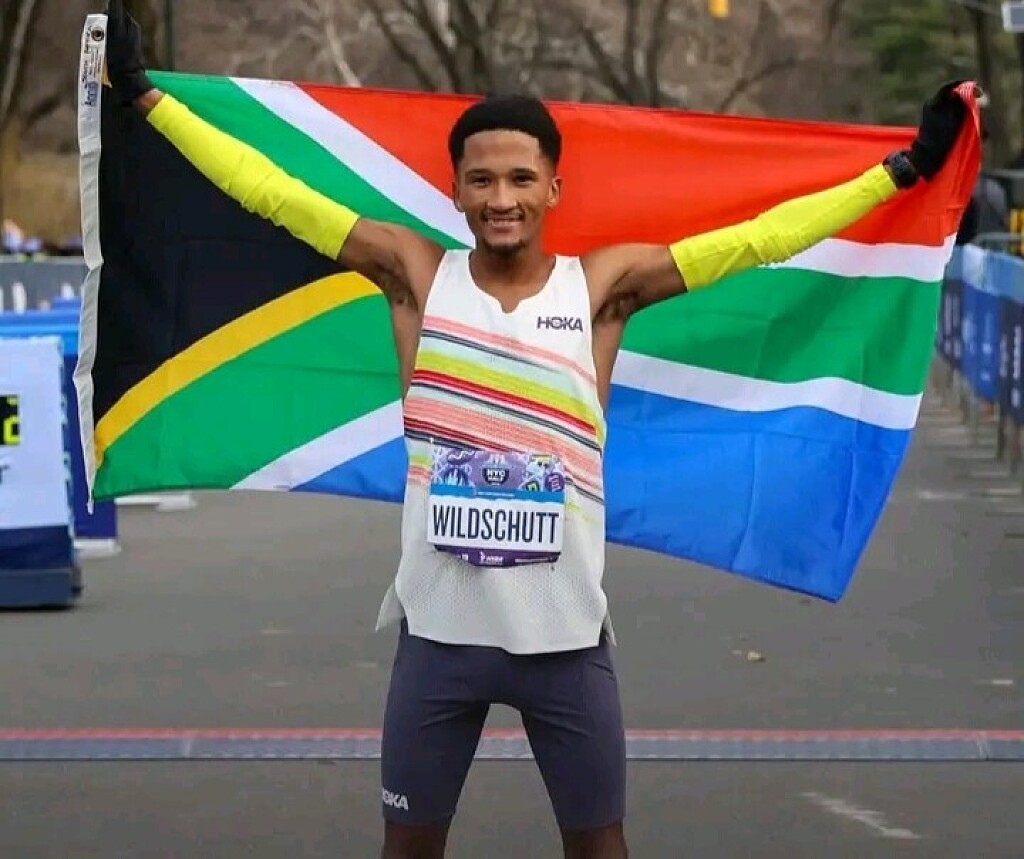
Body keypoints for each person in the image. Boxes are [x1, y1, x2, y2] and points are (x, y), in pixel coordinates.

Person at [102, 2, 971, 856]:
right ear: (455, 189)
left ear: (554, 188)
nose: (501, 198)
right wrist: (147, 100)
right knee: (408, 848)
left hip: (564, 640)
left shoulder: (601, 288)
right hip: (439, 636)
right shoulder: (414, 275)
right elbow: (274, 195)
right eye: (481, 180)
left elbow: (758, 240)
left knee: (599, 846)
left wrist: (899, 172)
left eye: (521, 179)